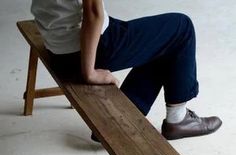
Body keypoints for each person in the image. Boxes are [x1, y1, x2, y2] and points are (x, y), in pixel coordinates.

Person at [31, 0, 222, 141]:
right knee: (181, 28)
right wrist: (89, 72)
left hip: (57, 46)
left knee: (156, 39)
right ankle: (178, 119)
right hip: (88, 48)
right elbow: (93, 13)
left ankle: (117, 122)